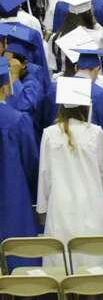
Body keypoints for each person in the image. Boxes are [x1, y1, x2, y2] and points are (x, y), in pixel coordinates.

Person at [36, 77, 103, 270]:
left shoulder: (50, 134)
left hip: (60, 208)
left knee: (62, 266)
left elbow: (44, 175)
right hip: (91, 206)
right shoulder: (96, 133)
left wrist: (42, 208)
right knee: (94, 266)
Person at [0, 60, 37, 252]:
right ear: (5, 87)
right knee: (18, 253)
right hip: (14, 194)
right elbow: (31, 162)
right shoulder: (18, 120)